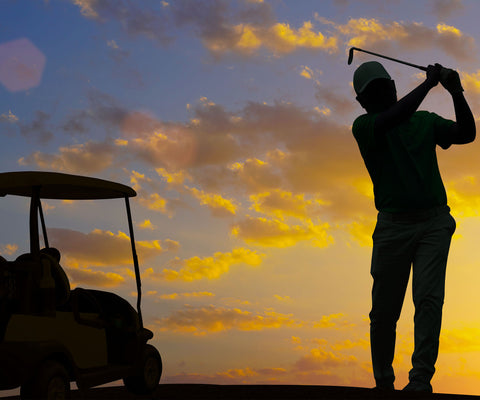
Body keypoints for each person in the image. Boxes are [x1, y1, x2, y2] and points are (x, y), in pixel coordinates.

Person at [352, 61, 475, 393]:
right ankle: (383, 383)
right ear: (362, 103)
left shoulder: (424, 121)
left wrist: (455, 91)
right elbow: (394, 117)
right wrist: (429, 84)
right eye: (372, 92)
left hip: (433, 222)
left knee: (429, 299)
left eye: (383, 87)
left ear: (393, 86)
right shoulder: (363, 126)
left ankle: (420, 380)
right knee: (384, 311)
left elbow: (467, 133)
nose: (381, 95)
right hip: (393, 225)